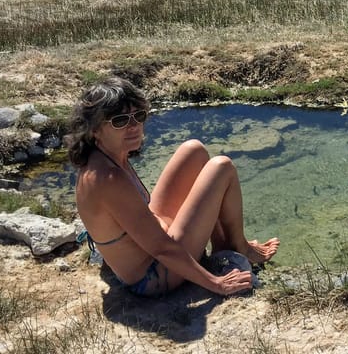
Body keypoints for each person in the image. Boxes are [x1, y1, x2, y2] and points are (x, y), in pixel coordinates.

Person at [67, 76, 279, 297]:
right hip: (154, 276)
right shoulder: (108, 178)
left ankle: (223, 247)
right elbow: (161, 248)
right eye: (120, 121)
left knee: (193, 150)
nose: (134, 127)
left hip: (154, 245)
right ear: (94, 129)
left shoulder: (108, 155)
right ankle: (238, 248)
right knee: (221, 166)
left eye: (138, 116)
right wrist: (217, 284)